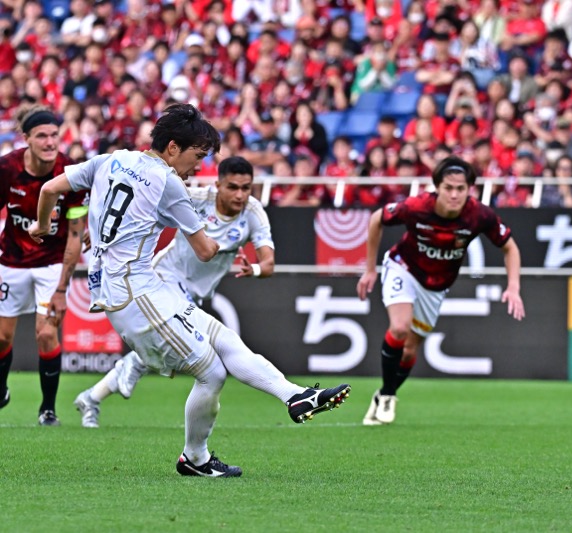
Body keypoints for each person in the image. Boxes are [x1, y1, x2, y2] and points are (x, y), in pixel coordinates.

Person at [29, 104, 350, 477]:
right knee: (212, 372)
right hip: (133, 291)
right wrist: (221, 244)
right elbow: (205, 250)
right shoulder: (169, 184)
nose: (199, 167)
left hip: (140, 284)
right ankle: (194, 458)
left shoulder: (111, 159)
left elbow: (50, 188)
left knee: (224, 339)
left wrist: (42, 226)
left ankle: (295, 396)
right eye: (197, 156)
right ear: (172, 148)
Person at [73, 156, 275, 428]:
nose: (240, 195)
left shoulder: (253, 213)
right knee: (201, 349)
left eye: (246, 188)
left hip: (196, 291)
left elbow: (269, 263)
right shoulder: (197, 198)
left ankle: (92, 397)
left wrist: (256, 269)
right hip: (165, 277)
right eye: (232, 187)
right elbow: (140, 200)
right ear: (218, 185)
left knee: (163, 348)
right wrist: (102, 226)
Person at [356, 156, 525, 425]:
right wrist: (369, 269)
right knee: (399, 328)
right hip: (403, 267)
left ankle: (383, 394)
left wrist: (513, 287)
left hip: (436, 286)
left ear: (469, 189)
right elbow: (377, 219)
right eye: (448, 188)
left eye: (461, 189)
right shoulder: (416, 206)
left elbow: (510, 247)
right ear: (437, 187)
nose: (454, 195)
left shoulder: (480, 215)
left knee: (409, 351)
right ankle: (388, 395)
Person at [0, 105, 87, 426]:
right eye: (41, 136)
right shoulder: (6, 168)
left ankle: (48, 410)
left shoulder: (71, 173)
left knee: (47, 334)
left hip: (52, 264)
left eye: (54, 135)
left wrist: (63, 288)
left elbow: (75, 235)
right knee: (2, 338)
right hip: (10, 260)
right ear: (26, 139)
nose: (50, 142)